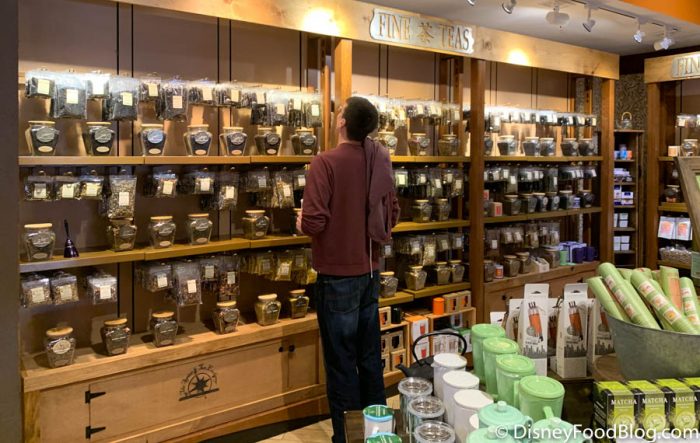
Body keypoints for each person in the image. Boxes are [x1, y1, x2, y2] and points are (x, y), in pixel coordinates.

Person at [297, 96, 400, 443]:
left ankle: (347, 439)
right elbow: (392, 214)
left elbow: (313, 221)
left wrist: (301, 222)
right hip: (371, 273)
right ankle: (378, 435)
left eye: (340, 111)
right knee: (369, 359)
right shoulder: (378, 159)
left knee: (341, 365)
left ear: (342, 122)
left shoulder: (324, 162)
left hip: (338, 278)